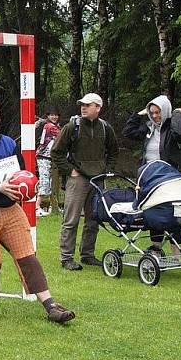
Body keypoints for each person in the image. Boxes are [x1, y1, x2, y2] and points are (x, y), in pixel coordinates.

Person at [0, 98, 75, 323]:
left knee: (28, 257)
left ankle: (51, 307)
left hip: (11, 209)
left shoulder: (9, 143)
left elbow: (20, 171)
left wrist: (27, 187)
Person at [51, 93, 118, 270]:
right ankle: (66, 258)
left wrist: (107, 170)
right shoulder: (72, 126)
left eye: (88, 105)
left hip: (98, 179)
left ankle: (87, 255)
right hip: (77, 178)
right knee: (71, 219)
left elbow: (113, 152)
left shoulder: (106, 128)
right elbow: (56, 152)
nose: (83, 107)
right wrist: (69, 171)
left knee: (94, 219)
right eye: (82, 104)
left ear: (98, 107)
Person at [123, 95, 181, 256]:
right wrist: (138, 115)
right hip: (151, 177)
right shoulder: (148, 127)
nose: (154, 116)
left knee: (174, 212)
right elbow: (128, 132)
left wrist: (176, 114)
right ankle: (156, 247)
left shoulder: (172, 127)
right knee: (153, 211)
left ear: (165, 111)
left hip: (171, 177)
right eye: (151, 113)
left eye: (158, 112)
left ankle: (176, 248)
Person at [35, 108, 62, 217]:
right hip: (43, 157)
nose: (54, 117)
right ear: (48, 116)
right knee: (45, 181)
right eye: (52, 115)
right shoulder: (50, 126)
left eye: (56, 115)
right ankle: (36, 207)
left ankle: (53, 207)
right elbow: (62, 136)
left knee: (52, 182)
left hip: (50, 158)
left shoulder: (50, 125)